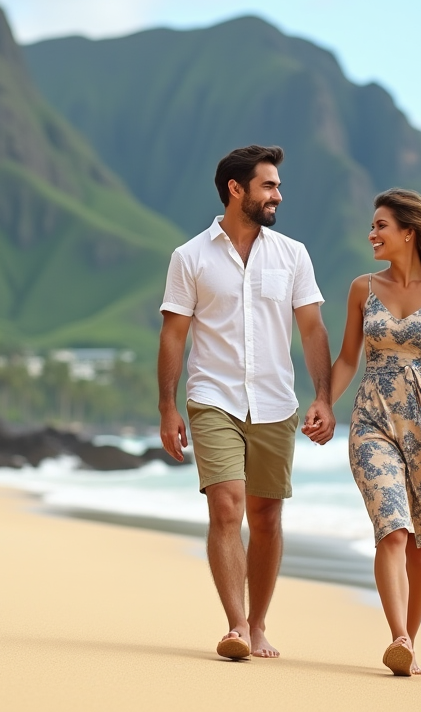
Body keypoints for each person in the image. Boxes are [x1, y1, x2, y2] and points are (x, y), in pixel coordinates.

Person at [157, 144, 335, 661]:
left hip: (277, 401)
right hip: (213, 395)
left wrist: (323, 396)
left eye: (277, 185)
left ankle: (258, 625)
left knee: (267, 516)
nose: (278, 194)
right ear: (237, 190)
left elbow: (311, 327)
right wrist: (168, 408)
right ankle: (235, 625)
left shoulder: (293, 254)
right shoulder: (190, 257)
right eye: (269, 185)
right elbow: (174, 336)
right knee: (227, 504)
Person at [329, 188, 421, 677]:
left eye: (381, 226)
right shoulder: (361, 288)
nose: (372, 234)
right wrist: (324, 402)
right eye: (372, 226)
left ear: (408, 232)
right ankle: (399, 637)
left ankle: (410, 645)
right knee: (392, 527)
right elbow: (349, 358)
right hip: (372, 418)